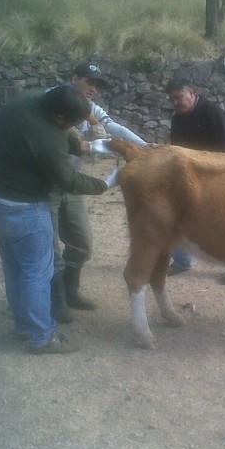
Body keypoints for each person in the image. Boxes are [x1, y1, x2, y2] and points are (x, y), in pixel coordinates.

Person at [0, 85, 118, 354]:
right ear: (59, 118)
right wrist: (105, 185)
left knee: (15, 264)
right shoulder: (47, 138)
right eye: (74, 124)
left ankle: (23, 324)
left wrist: (80, 146)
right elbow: (67, 179)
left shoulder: (29, 99)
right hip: (21, 206)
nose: (75, 127)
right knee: (37, 271)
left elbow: (66, 133)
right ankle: (42, 337)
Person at [49, 63, 149, 323]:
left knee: (81, 243)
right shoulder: (52, 100)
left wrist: (146, 147)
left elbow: (113, 128)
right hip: (43, 184)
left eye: (97, 84)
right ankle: (56, 300)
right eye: (89, 82)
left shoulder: (91, 108)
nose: (93, 88)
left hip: (71, 183)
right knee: (48, 249)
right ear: (74, 78)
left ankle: (71, 292)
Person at [166, 77, 225, 285]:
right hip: (190, 176)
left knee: (224, 222)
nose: (175, 103)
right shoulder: (177, 119)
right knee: (179, 217)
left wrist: (212, 175)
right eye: (172, 99)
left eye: (179, 97)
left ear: (191, 93)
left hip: (218, 176)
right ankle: (182, 261)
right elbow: (178, 151)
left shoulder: (213, 113)